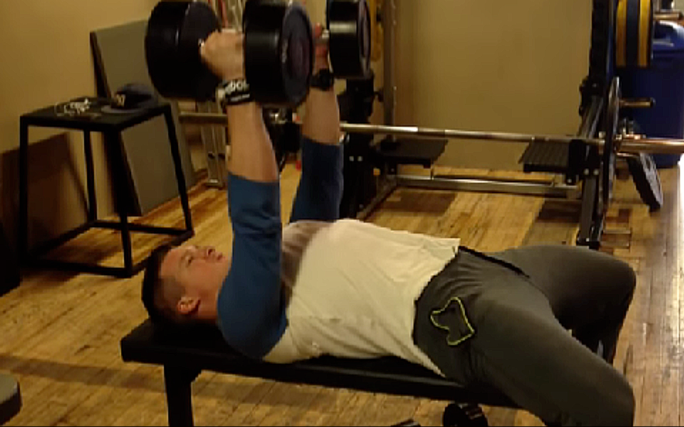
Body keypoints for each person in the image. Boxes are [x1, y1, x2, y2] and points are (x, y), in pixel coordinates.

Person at [141, 24, 637, 426]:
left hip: (482, 267)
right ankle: (560, 381)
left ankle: (556, 374)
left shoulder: (291, 243)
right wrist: (236, 86)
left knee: (615, 281)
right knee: (612, 408)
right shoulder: (244, 321)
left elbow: (323, 162)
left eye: (196, 248)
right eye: (190, 260)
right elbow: (255, 214)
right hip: (456, 314)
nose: (206, 251)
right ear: (186, 302)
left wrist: (316, 75)